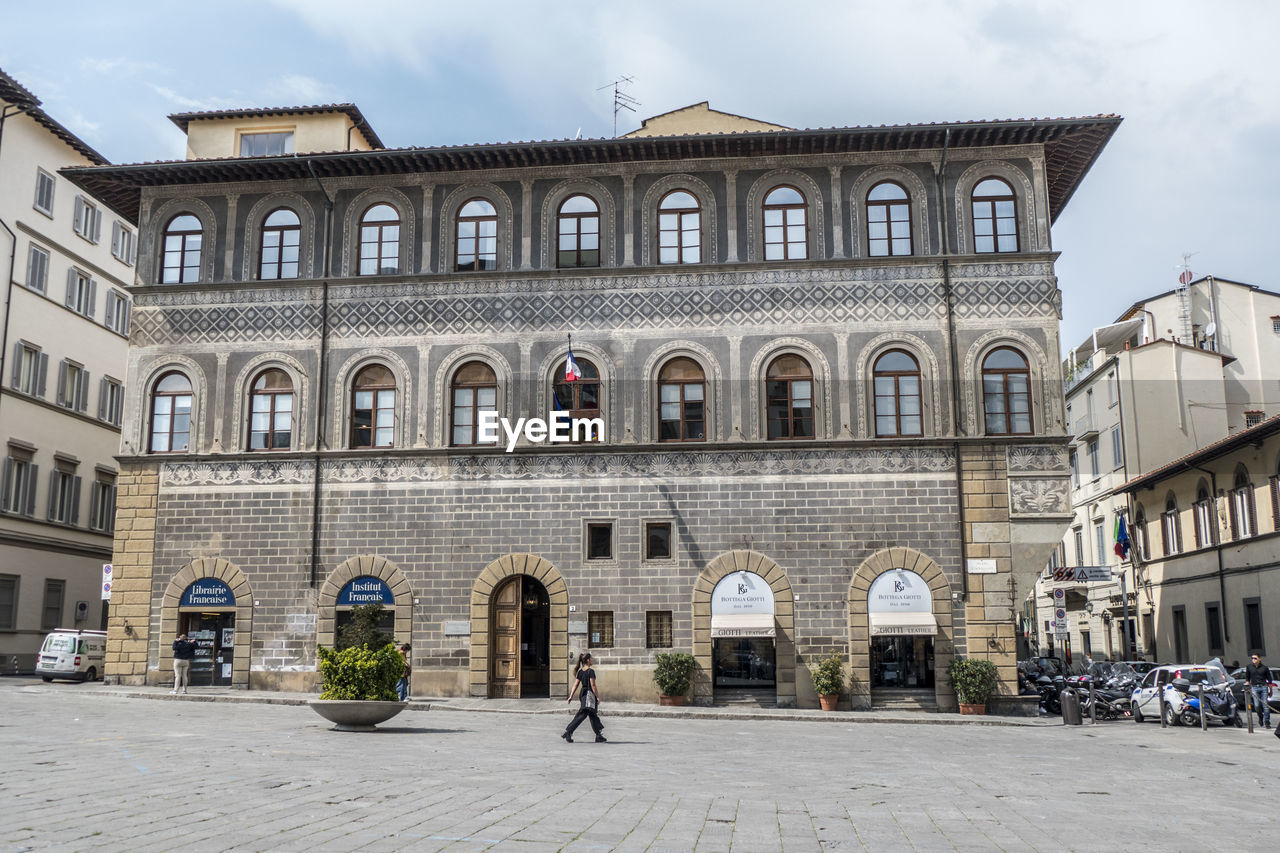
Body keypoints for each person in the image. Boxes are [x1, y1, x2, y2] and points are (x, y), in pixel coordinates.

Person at [562, 652, 606, 743]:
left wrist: (571, 696)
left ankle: (598, 735)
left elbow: (576, 684)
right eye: (591, 659)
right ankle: (569, 732)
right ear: (588, 660)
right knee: (583, 714)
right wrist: (597, 697)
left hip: (583, 694)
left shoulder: (580, 672)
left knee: (592, 714)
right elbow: (593, 685)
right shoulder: (590, 671)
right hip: (589, 695)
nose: (592, 660)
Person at [1243, 653, 1271, 729]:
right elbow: (1247, 679)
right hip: (1254, 687)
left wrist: (1270, 691)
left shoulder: (1265, 668)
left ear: (1259, 659)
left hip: (1263, 687)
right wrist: (1246, 686)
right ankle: (1260, 717)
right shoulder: (1249, 667)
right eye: (1252, 658)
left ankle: (1267, 722)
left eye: (1255, 658)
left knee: (1265, 706)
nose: (1253, 660)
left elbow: (1269, 680)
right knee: (1257, 706)